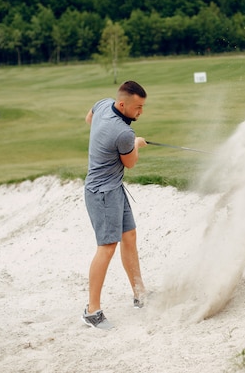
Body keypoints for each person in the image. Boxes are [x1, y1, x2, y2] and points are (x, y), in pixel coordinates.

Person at [81, 80, 148, 330]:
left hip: (113, 189)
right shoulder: (124, 133)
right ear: (122, 104)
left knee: (129, 237)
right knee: (107, 248)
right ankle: (92, 311)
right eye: (138, 107)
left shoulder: (103, 104)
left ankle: (140, 294)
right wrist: (136, 144)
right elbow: (130, 163)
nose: (141, 112)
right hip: (103, 194)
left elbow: (89, 119)